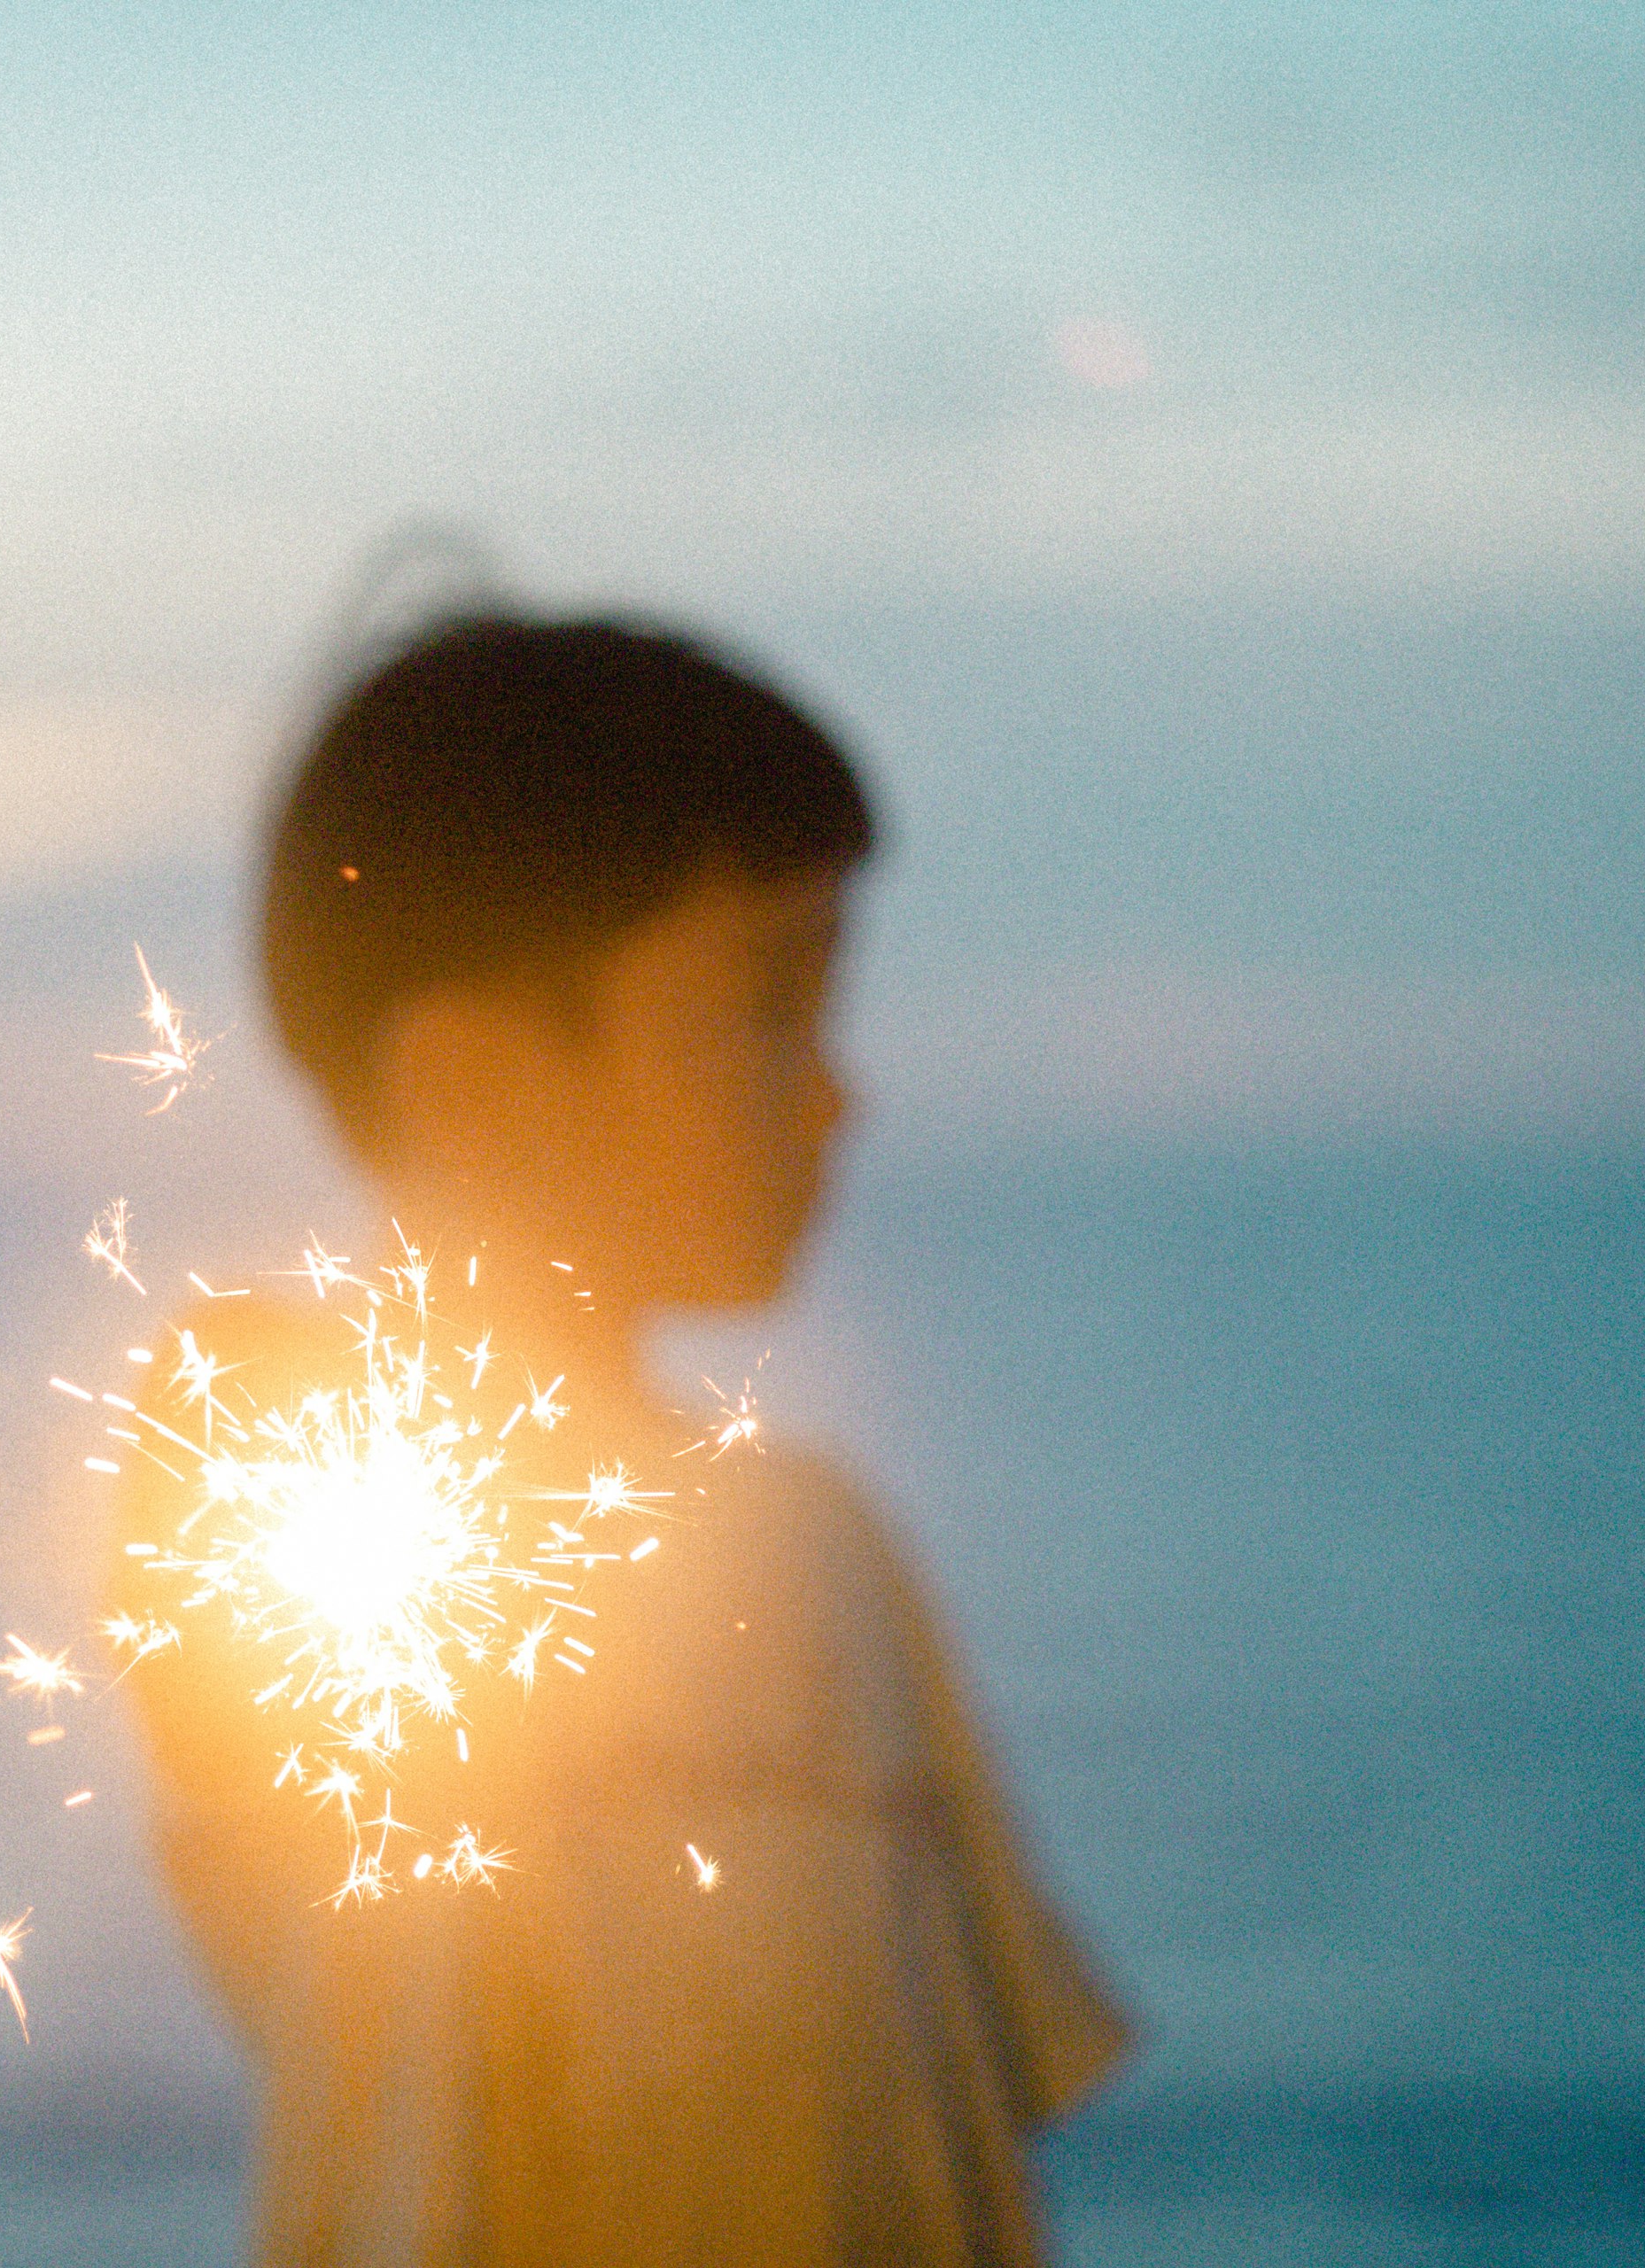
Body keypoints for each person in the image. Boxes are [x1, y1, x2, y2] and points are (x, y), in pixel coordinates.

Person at [113, 615, 1130, 2264]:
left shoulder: (827, 1553)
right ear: (472, 1084)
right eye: (768, 1008)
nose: (836, 1093)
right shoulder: (294, 1511)